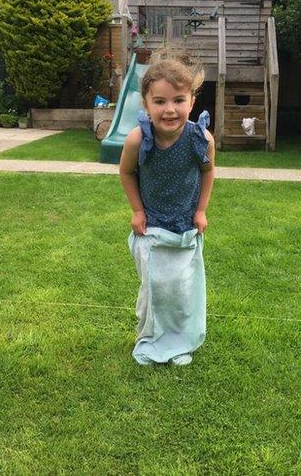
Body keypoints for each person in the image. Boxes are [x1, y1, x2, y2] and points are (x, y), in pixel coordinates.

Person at [119, 51, 215, 366]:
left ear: (191, 100)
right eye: (159, 101)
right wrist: (137, 211)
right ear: (145, 103)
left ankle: (179, 343)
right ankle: (150, 340)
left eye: (178, 100)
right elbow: (126, 172)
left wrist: (201, 211)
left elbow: (207, 171)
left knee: (181, 290)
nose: (170, 109)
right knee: (155, 290)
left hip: (185, 225)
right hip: (152, 227)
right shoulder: (137, 139)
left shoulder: (200, 138)